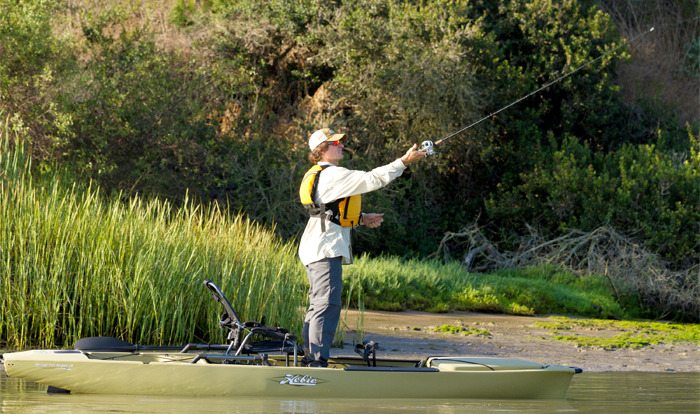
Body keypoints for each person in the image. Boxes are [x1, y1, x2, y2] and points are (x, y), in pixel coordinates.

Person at [298, 127, 426, 366]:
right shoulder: (334, 174)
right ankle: (316, 364)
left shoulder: (323, 174)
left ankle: (311, 359)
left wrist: (361, 218)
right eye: (335, 143)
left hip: (317, 246)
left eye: (339, 142)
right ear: (321, 150)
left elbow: (331, 211)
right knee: (326, 305)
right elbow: (373, 179)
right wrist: (405, 161)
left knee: (319, 305)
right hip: (324, 249)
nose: (341, 146)